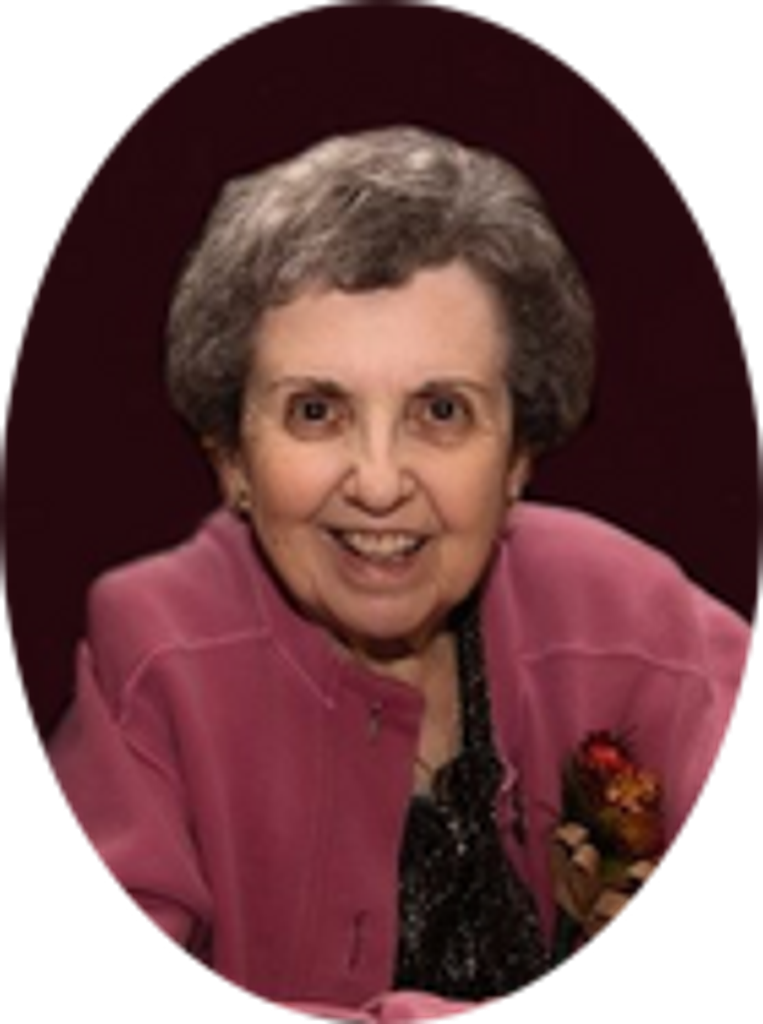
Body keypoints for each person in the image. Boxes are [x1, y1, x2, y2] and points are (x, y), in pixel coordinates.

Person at [42, 127, 752, 1021]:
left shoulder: (629, 613)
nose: (378, 484)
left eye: (441, 411)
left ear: (517, 456)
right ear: (231, 460)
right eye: (315, 411)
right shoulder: (151, 655)